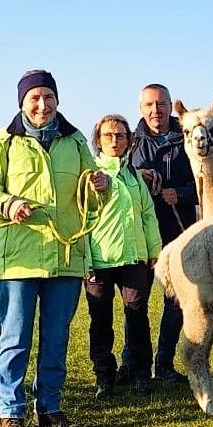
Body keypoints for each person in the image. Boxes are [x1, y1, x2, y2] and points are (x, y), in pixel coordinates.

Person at [0, 70, 100, 427]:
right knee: (15, 338)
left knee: (56, 339)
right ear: (22, 103)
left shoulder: (76, 141)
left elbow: (92, 200)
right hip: (18, 259)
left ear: (57, 99)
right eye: (34, 98)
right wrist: (8, 204)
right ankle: (11, 413)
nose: (43, 105)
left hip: (65, 254)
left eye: (48, 97)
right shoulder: (3, 142)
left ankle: (50, 408)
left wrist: (100, 186)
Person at [85, 114, 163, 398]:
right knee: (100, 320)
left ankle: (142, 374)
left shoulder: (134, 176)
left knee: (138, 316)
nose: (114, 140)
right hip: (99, 259)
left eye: (120, 135)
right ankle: (104, 377)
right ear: (98, 140)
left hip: (133, 259)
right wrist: (85, 259)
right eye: (108, 135)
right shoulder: (90, 175)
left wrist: (154, 250)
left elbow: (147, 214)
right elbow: (82, 217)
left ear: (129, 140)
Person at [130, 83, 197, 384]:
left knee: (176, 300)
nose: (155, 110)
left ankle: (165, 363)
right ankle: (132, 363)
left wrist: (180, 194)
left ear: (171, 107)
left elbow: (204, 182)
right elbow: (118, 180)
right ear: (141, 108)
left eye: (161, 104)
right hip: (140, 234)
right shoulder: (130, 143)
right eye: (149, 105)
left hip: (177, 232)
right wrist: (139, 176)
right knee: (136, 301)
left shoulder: (188, 139)